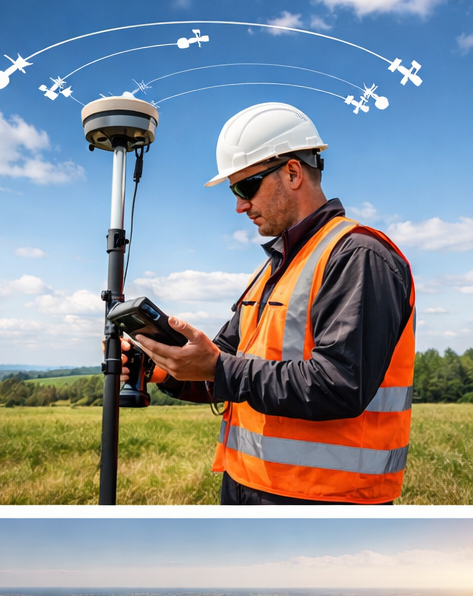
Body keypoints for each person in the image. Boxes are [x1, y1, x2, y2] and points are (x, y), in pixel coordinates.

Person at [124, 102, 415, 505]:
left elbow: (341, 385)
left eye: (246, 187)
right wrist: (166, 370)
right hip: (247, 486)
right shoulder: (272, 271)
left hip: (327, 503)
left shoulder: (359, 256)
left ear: (293, 172)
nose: (240, 206)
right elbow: (227, 366)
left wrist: (218, 367)